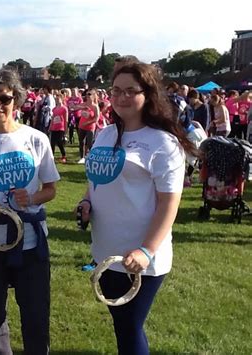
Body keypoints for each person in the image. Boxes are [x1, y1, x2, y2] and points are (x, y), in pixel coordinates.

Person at [76, 62, 196, 354]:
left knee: (129, 326)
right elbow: (96, 178)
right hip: (106, 251)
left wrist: (146, 250)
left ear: (148, 94)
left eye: (131, 91)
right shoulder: (105, 134)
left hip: (141, 258)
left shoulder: (162, 143)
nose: (122, 97)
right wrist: (86, 201)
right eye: (116, 90)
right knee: (122, 325)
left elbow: (169, 204)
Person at [0, 69, 59, 354]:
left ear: (16, 100)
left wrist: (32, 197)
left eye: (4, 98)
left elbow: (51, 189)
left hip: (30, 243)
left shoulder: (36, 139)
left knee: (36, 316)